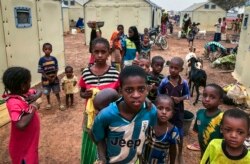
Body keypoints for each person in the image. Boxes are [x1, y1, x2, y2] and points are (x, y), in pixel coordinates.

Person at [91, 65, 157, 163]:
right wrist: (102, 158)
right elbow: (95, 135)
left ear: (147, 89)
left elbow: (148, 134)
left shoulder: (151, 111)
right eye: (129, 90)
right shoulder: (107, 115)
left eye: (141, 89)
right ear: (121, 91)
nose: (136, 95)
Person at [79, 37, 120, 164]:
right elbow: (81, 91)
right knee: (91, 137)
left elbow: (119, 94)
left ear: (109, 53)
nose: (100, 55)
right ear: (92, 52)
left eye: (103, 52)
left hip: (109, 115)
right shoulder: (86, 73)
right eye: (96, 52)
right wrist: (85, 94)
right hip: (91, 114)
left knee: (106, 139)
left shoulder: (114, 73)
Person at [2, 67, 41, 164]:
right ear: (23, 85)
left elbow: (39, 90)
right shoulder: (13, 102)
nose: (30, 84)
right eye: (29, 82)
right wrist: (33, 107)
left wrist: (35, 96)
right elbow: (20, 125)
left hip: (30, 141)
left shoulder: (25, 94)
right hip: (23, 147)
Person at [158, 57, 190, 164]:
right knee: (169, 132)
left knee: (179, 134)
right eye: (171, 67)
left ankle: (180, 153)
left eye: (176, 68)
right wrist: (165, 99)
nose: (172, 70)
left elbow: (187, 95)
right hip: (167, 112)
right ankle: (167, 152)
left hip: (178, 112)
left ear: (181, 70)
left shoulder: (183, 83)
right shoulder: (164, 81)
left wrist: (180, 99)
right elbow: (159, 94)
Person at [141, 95, 180, 164]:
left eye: (168, 109)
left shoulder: (173, 131)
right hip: (143, 160)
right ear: (154, 109)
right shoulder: (148, 123)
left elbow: (173, 151)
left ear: (172, 114)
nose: (164, 112)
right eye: (160, 108)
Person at [193, 83, 224, 156]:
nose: (207, 99)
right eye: (204, 95)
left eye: (212, 97)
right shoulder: (199, 113)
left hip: (217, 153)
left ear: (220, 102)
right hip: (203, 150)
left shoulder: (222, 117)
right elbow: (198, 131)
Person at [38, 43, 65, 110]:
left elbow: (56, 68)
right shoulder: (41, 60)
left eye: (49, 49)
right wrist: (48, 77)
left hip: (54, 79)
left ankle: (60, 103)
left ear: (51, 50)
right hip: (45, 80)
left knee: (57, 91)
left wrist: (54, 77)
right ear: (43, 50)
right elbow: (40, 70)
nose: (47, 50)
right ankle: (49, 103)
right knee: (47, 92)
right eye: (46, 49)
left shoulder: (54, 59)